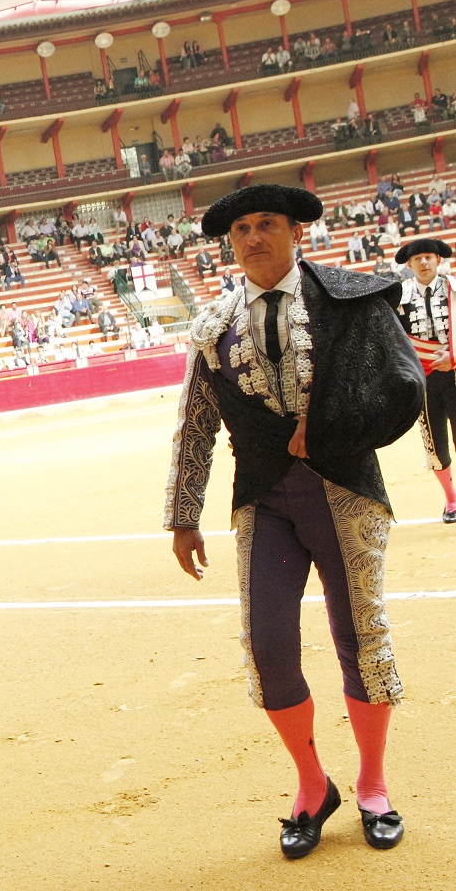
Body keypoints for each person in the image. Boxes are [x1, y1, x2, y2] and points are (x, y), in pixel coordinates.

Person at [165, 184, 422, 859]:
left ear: (297, 231)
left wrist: (335, 430)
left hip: (345, 492)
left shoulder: (350, 298)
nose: (253, 237)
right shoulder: (213, 325)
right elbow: (195, 424)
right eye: (241, 229)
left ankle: (372, 785)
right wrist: (183, 514)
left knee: (362, 637)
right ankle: (313, 785)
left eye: (268, 224)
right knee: (269, 648)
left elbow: (405, 386)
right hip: (265, 499)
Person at [393, 237, 456, 521]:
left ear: (438, 260)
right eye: (417, 259)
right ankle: (452, 500)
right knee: (434, 441)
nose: (424, 262)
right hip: (425, 379)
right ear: (409, 264)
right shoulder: (400, 297)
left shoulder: (454, 289)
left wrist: (454, 356)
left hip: (455, 374)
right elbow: (394, 339)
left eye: (428, 257)